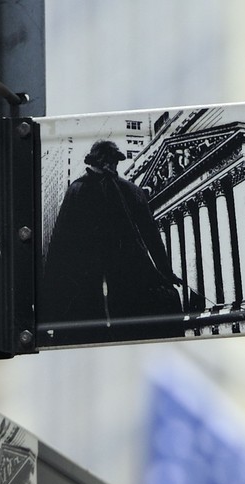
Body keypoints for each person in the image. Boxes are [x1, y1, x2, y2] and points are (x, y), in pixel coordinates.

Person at [41, 139, 183, 342]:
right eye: (112, 161)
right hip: (110, 279)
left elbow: (60, 244)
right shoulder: (123, 190)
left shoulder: (82, 190)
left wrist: (166, 272)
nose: (114, 166)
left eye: (115, 161)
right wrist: (166, 272)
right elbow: (152, 238)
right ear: (103, 161)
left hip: (103, 281)